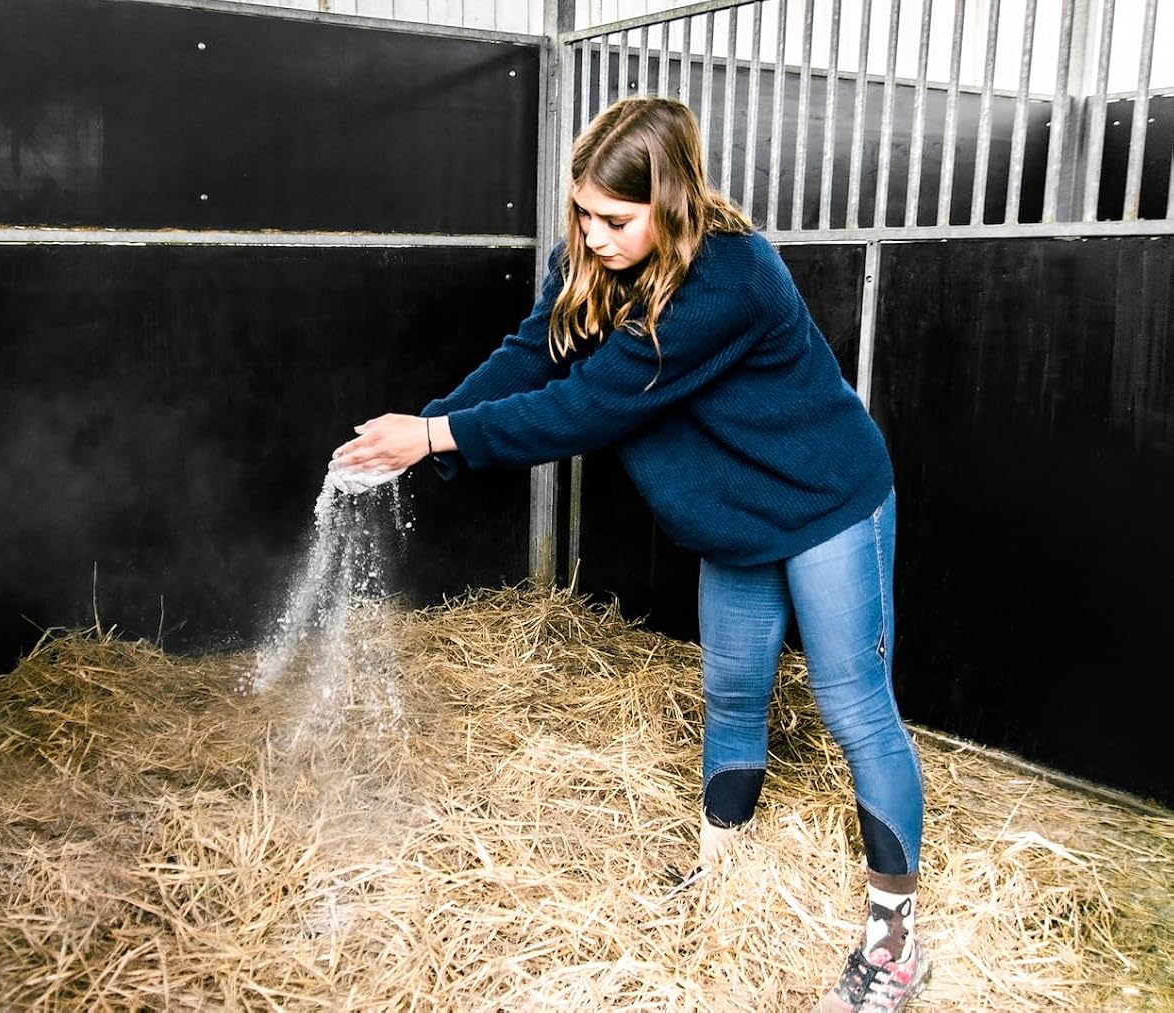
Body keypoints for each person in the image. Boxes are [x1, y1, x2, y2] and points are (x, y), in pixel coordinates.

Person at [331, 96, 928, 1012]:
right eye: (581, 212)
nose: (593, 236)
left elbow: (591, 406)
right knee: (731, 694)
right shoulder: (591, 259)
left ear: (675, 200)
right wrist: (419, 431)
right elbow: (532, 354)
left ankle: (890, 948)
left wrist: (440, 437)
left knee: (854, 705)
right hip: (733, 521)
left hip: (824, 501)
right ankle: (721, 877)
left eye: (615, 219)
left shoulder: (731, 276)